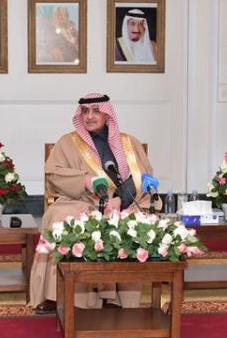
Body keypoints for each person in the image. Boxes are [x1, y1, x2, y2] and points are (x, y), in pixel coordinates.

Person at [30, 93, 156, 314]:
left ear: (107, 115)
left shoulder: (129, 143)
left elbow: (141, 176)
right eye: (85, 112)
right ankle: (58, 295)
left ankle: (117, 298)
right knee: (59, 218)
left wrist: (119, 200)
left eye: (96, 111)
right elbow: (53, 174)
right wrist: (84, 180)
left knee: (136, 221)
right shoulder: (67, 143)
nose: (89, 116)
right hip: (81, 200)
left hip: (123, 203)